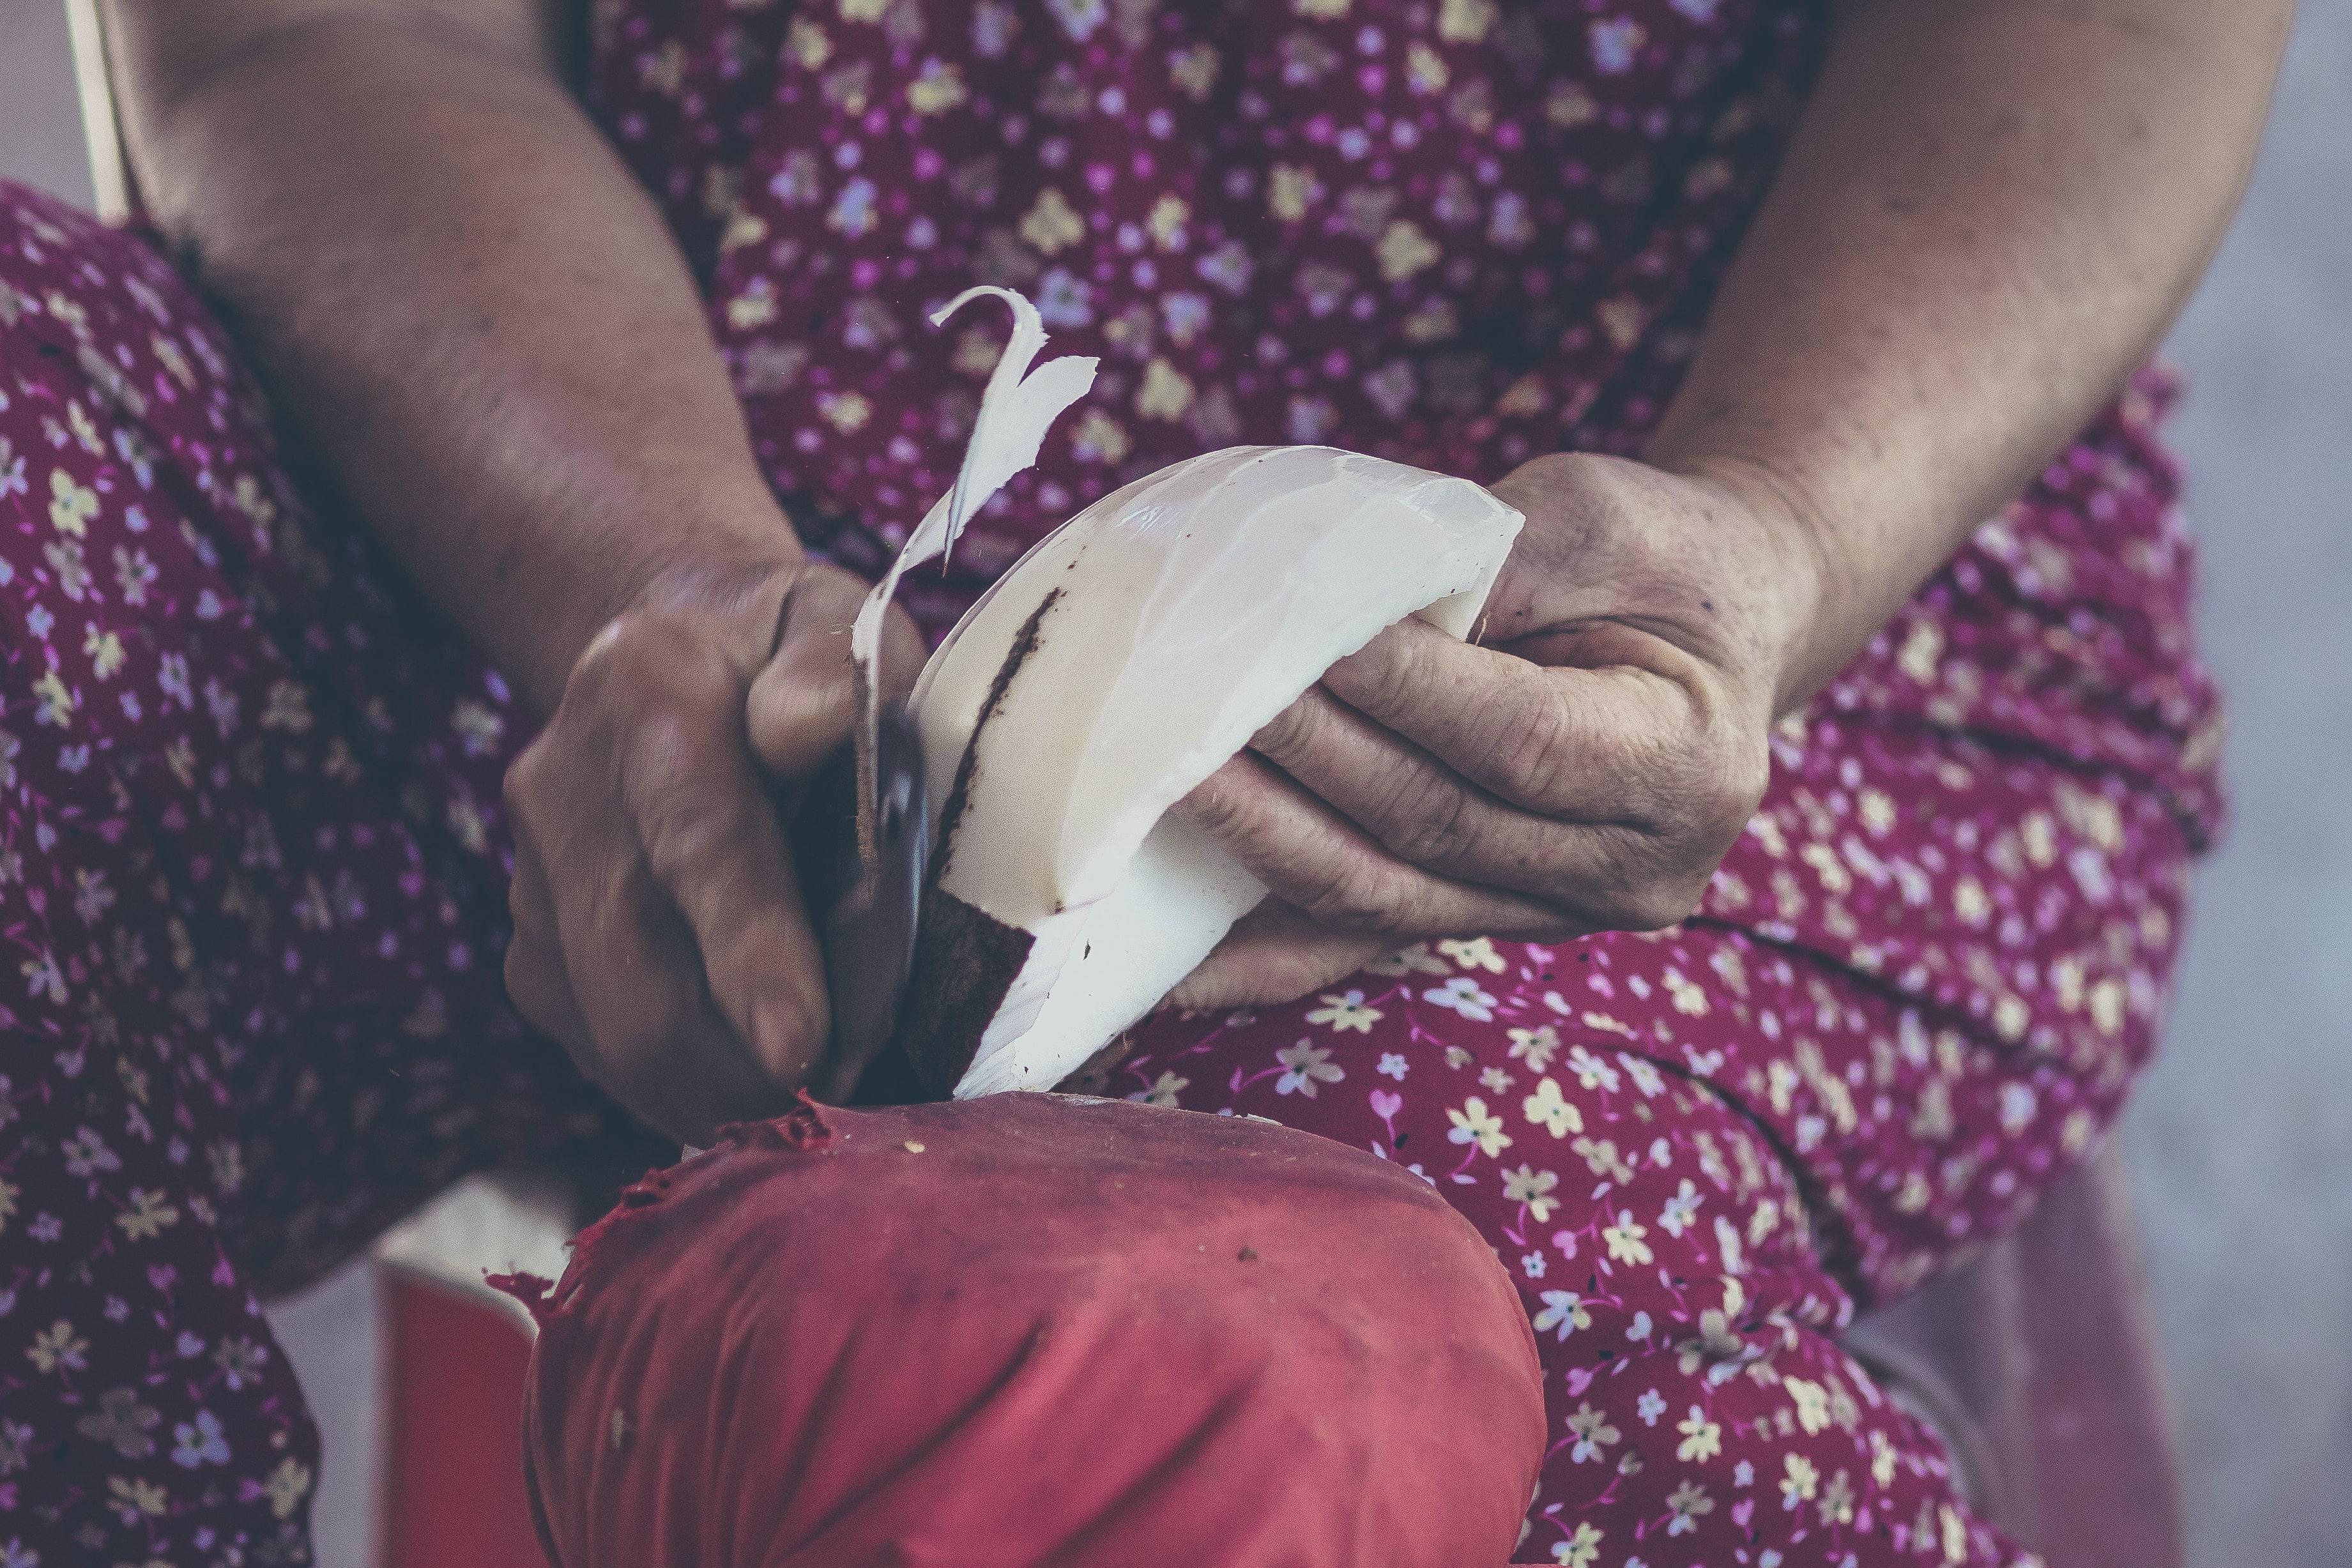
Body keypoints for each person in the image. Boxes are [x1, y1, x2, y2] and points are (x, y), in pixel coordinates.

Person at [0, 0, 2280, 1561]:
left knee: (1187, 1331)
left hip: (1668, 574)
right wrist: (651, 580)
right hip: (539, 509)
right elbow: (318, 29)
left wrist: (1778, 530)